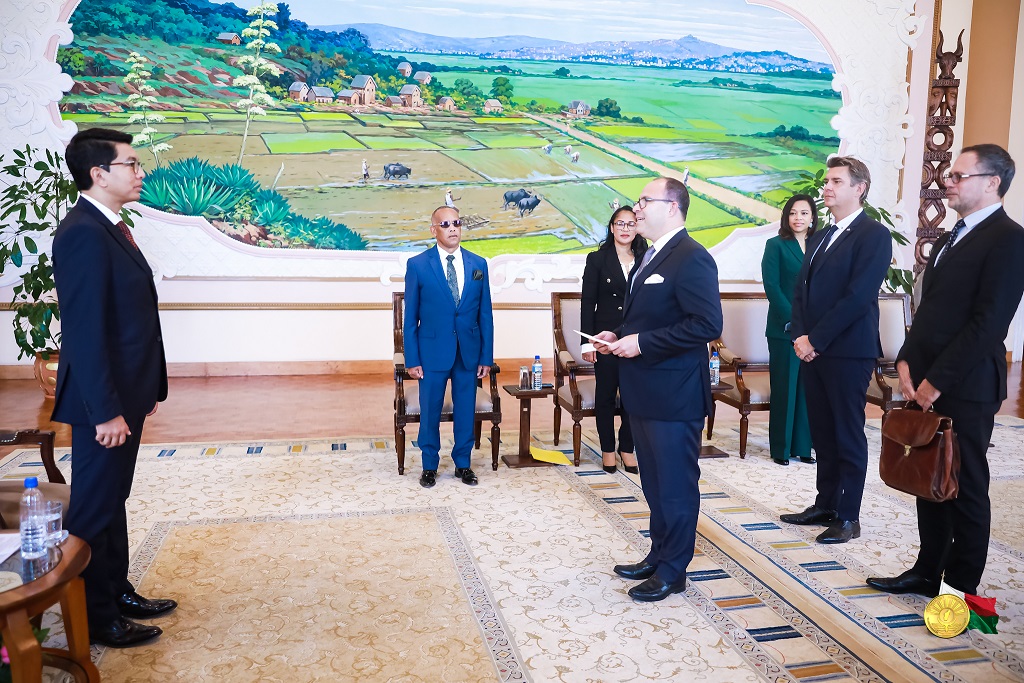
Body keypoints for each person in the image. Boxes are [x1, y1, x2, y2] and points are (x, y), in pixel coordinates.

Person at [867, 144, 1024, 597]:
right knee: (929, 476)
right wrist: (905, 360)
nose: (947, 182)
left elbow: (988, 324)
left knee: (967, 484)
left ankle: (960, 589)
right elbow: (929, 310)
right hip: (927, 379)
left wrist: (937, 382)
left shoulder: (1008, 238)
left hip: (968, 384)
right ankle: (926, 570)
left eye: (958, 175)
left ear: (992, 182)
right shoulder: (949, 236)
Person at [51, 128, 175, 648]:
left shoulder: (108, 226)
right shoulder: (82, 231)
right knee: (93, 507)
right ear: (99, 174)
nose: (139, 172)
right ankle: (96, 616)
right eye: (131, 163)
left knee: (113, 498)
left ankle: (117, 590)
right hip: (103, 402)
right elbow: (83, 331)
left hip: (126, 393)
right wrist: (104, 412)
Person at [594, 177, 723, 602]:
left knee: (675, 485)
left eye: (644, 201)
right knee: (653, 483)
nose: (637, 208)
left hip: (674, 395)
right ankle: (658, 553)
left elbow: (707, 325)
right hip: (644, 391)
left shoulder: (691, 257)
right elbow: (648, 319)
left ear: (671, 207)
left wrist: (642, 343)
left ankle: (673, 570)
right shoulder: (651, 254)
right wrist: (618, 334)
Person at [780, 156, 891, 544]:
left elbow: (857, 297)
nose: (826, 187)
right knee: (822, 432)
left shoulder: (873, 235)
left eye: (835, 181)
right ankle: (825, 503)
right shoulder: (823, 234)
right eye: (826, 181)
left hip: (847, 351)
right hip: (812, 347)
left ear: (858, 188)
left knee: (847, 434)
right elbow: (801, 291)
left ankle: (848, 515)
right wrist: (800, 334)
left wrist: (816, 339)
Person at [403, 206, 493, 488]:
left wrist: (486, 356)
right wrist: (412, 358)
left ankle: (463, 464)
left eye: (457, 223)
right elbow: (410, 318)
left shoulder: (478, 265)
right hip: (432, 351)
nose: (453, 228)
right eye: (445, 224)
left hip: (468, 351)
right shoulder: (417, 265)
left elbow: (485, 314)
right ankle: (429, 465)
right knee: (430, 409)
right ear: (434, 230)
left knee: (466, 408)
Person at [580, 206, 648, 474]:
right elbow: (588, 303)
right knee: (606, 395)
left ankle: (627, 448)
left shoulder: (646, 258)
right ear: (611, 227)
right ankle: (608, 450)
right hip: (604, 339)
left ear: (637, 228)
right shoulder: (597, 259)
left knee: (635, 396)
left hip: (636, 338)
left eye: (631, 224)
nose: (625, 229)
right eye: (620, 224)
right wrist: (587, 342)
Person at [761, 194, 818, 466]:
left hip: (815, 329)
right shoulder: (775, 245)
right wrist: (795, 322)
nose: (798, 218)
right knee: (785, 388)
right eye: (793, 213)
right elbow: (772, 287)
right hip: (784, 329)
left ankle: (803, 448)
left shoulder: (820, 244)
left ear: (812, 217)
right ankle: (781, 450)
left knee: (807, 390)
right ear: (786, 217)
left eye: (804, 213)